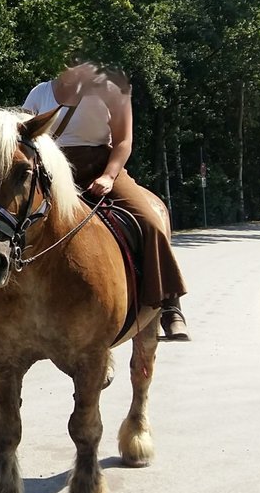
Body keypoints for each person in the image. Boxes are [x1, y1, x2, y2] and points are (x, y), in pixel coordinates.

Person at [22, 61, 191, 340]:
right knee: (14, 223)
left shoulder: (112, 90)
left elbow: (124, 141)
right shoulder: (39, 93)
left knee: (149, 220)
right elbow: (23, 140)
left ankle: (169, 305)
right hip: (52, 175)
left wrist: (109, 177)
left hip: (101, 167)